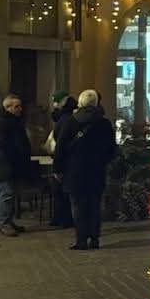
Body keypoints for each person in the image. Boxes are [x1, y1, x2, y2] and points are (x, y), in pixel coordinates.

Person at [54, 88, 117, 250]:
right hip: (96, 170)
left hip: (74, 170)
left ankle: (81, 239)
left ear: (80, 102)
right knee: (94, 204)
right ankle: (94, 239)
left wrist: (58, 169)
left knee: (77, 205)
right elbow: (111, 148)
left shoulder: (71, 121)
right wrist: (103, 162)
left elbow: (60, 147)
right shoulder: (104, 123)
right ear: (96, 103)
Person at [0, 93, 31, 237]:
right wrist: (17, 153)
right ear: (8, 108)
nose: (20, 109)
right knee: (7, 193)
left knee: (11, 193)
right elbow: (3, 144)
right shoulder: (1, 122)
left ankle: (9, 220)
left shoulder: (14, 120)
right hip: (6, 163)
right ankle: (4, 223)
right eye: (16, 106)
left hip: (13, 163)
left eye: (20, 106)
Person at [47, 92, 77, 228]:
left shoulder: (64, 120)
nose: (54, 104)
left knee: (61, 190)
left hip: (63, 160)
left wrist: (57, 167)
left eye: (56, 101)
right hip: (67, 160)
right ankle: (62, 218)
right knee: (61, 190)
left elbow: (60, 144)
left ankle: (63, 218)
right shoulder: (69, 118)